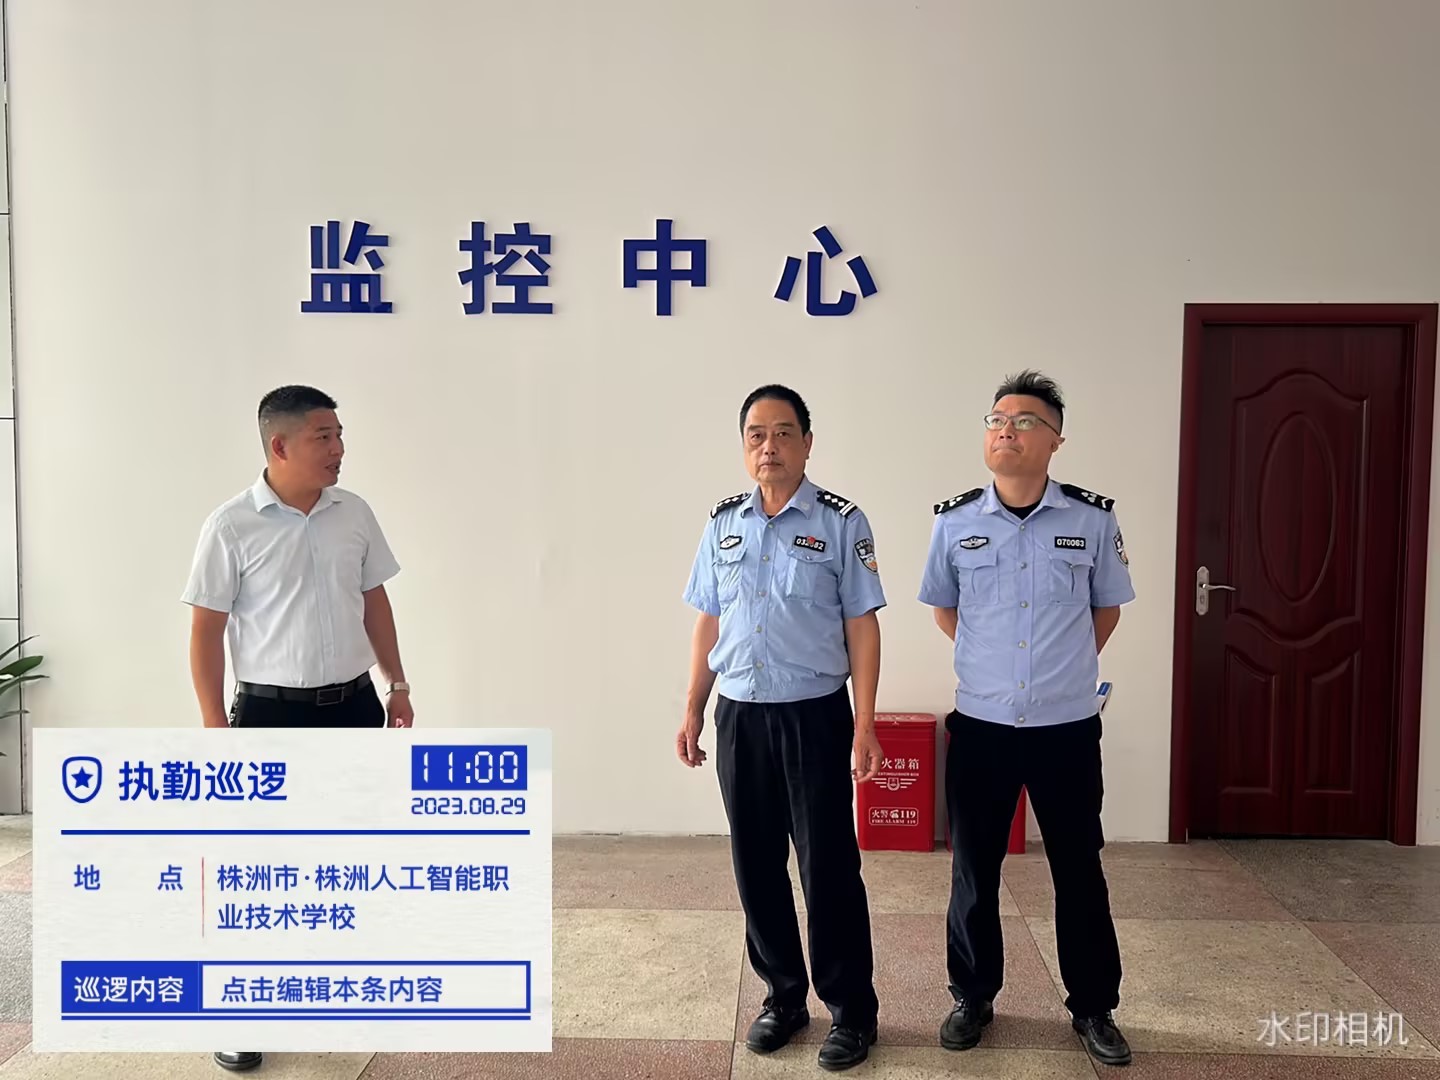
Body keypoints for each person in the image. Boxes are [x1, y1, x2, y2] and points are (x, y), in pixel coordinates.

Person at [182, 385, 413, 1072]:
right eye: (324, 436)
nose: (339, 448)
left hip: (352, 707)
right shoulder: (231, 526)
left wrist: (397, 684)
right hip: (269, 715)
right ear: (279, 445)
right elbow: (205, 630)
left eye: (339, 435)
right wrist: (213, 723)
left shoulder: (354, 514)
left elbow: (374, 602)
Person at [918, 370, 1135, 1068]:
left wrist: (1057, 674)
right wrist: (993, 670)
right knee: (974, 870)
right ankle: (972, 997)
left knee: (1078, 868)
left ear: (1055, 440)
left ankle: (1094, 1006)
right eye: (996, 419)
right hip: (982, 728)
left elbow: (1106, 610)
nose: (1005, 430)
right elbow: (946, 610)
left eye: (1023, 421)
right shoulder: (954, 522)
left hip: (1065, 729)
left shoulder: (1092, 520)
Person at [678, 384, 885, 1072]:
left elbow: (862, 625)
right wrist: (693, 705)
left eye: (784, 433)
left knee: (828, 868)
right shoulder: (722, 524)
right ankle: (783, 997)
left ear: (807, 443)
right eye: (756, 435)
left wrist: (864, 723)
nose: (769, 447)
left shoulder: (841, 522)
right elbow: (708, 619)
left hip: (814, 717)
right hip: (739, 716)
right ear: (745, 447)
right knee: (756, 864)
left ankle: (851, 1011)